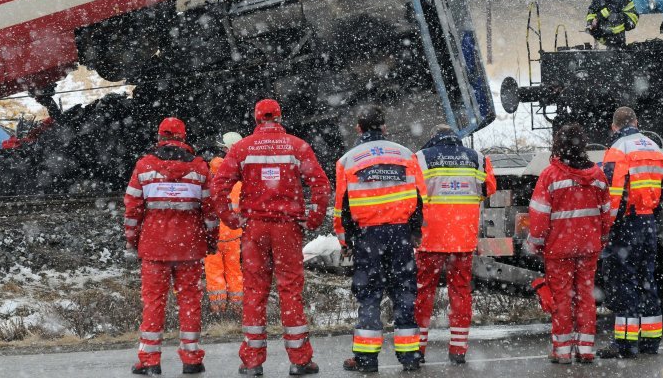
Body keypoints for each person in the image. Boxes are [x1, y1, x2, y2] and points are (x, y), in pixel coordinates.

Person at [212, 99, 331, 376]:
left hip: (255, 229)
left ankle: (252, 362)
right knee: (290, 290)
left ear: (256, 119)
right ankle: (300, 360)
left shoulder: (242, 148)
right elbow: (320, 184)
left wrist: (232, 219)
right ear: (279, 117)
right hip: (287, 228)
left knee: (254, 291)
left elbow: (219, 187)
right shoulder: (297, 146)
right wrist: (312, 219)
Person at [334, 105, 426, 373]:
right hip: (400, 234)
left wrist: (345, 242)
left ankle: (366, 360)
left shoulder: (348, 160)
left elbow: (342, 208)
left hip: (368, 237)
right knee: (404, 294)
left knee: (369, 296)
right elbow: (419, 198)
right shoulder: (406, 155)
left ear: (359, 129)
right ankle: (410, 357)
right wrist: (414, 231)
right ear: (384, 127)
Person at [124, 117, 219, 376]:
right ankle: (191, 358)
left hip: (154, 248)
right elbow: (210, 212)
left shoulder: (144, 166)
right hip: (189, 247)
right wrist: (211, 242)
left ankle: (150, 360)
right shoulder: (199, 168)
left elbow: (132, 210)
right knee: (190, 301)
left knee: (154, 302)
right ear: (183, 137)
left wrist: (133, 240)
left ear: (160, 136)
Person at [526, 123, 613, 364]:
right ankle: (585, 350)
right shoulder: (597, 175)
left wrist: (536, 244)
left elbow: (539, 216)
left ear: (558, 145)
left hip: (558, 248)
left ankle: (562, 352)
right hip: (589, 248)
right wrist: (602, 239)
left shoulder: (550, 176)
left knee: (561, 298)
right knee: (586, 296)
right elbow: (607, 213)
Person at [413, 124, 497, 365]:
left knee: (423, 293)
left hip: (430, 239)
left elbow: (413, 193)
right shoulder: (478, 159)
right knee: (460, 292)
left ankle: (418, 350)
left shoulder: (421, 158)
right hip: (463, 238)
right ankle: (458, 350)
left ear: (433, 138)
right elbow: (488, 188)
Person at [597, 107, 663, 359]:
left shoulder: (618, 149)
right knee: (647, 278)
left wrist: (607, 226)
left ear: (614, 126)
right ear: (637, 122)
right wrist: (651, 209)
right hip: (647, 221)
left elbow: (612, 193)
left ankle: (625, 345)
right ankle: (650, 342)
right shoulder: (653, 147)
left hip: (627, 224)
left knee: (624, 281)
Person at [205, 132, 244, 315]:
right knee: (235, 271)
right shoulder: (240, 182)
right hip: (234, 235)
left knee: (214, 273)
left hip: (213, 235)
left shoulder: (209, 182)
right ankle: (237, 307)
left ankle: (218, 309)